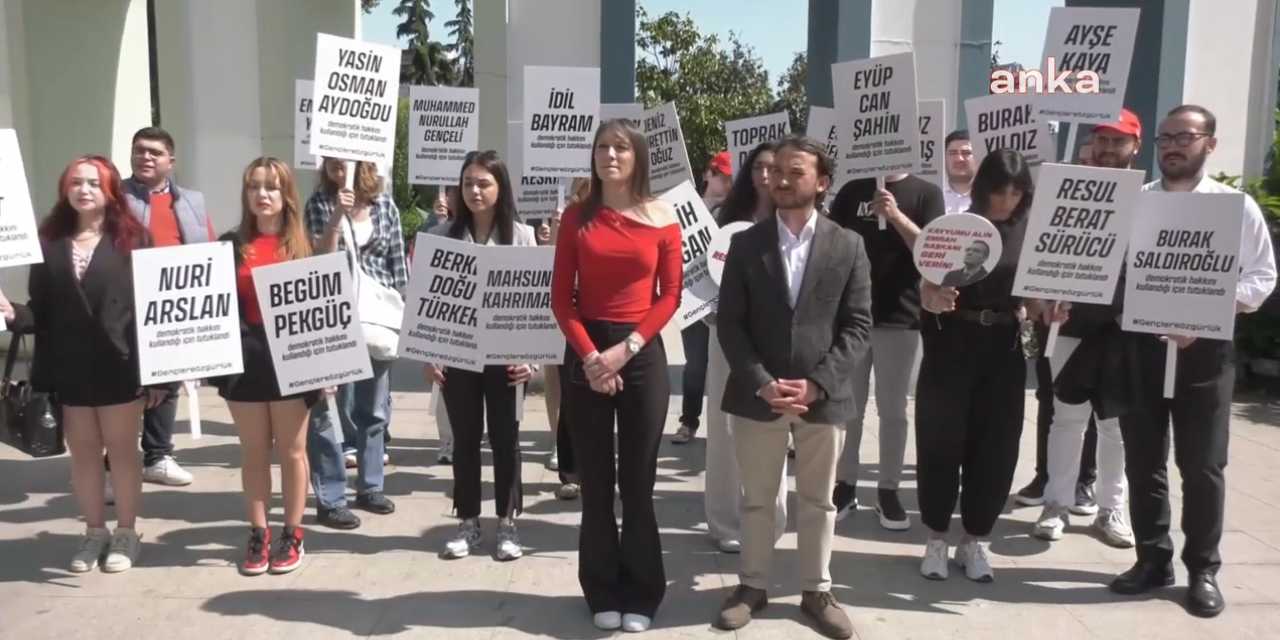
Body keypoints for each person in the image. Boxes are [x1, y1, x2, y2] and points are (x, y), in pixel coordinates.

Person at [1109, 105, 1276, 618]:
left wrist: (1204, 312)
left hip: (1204, 353)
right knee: (1143, 460)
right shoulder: (1134, 203)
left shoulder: (1234, 207)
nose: (1173, 146)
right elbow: (1107, 268)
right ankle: (1152, 558)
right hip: (1141, 347)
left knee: (1202, 465)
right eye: (1165, 138)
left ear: (1210, 143)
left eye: (1185, 136)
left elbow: (1261, 278)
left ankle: (1203, 569)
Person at [713, 135, 871, 639]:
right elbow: (731, 324)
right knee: (758, 500)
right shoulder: (745, 243)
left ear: (822, 183)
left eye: (794, 171)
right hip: (757, 399)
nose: (780, 178)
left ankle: (816, 592)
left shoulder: (848, 245)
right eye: (775, 170)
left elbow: (858, 326)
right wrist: (760, 383)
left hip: (823, 401)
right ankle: (752, 586)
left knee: (818, 502)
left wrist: (819, 384)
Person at [550, 118, 681, 633]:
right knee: (597, 482)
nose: (609, 155)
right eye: (602, 146)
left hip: (641, 352)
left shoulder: (662, 215)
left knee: (638, 483)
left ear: (637, 157)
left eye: (620, 148)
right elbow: (563, 299)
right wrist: (591, 358)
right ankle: (601, 588)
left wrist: (624, 351)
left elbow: (669, 294)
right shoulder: (576, 218)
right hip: (586, 352)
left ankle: (644, 593)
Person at [6, 155, 159, 573]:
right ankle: (94, 532)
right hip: (70, 370)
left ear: (110, 191)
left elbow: (152, 311)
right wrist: (11, 312)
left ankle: (126, 533)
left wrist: (159, 375)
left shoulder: (134, 240)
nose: (84, 189)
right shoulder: (48, 243)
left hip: (120, 367)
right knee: (85, 456)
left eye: (93, 182)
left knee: (124, 453)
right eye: (76, 182)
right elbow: (41, 311)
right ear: (65, 189)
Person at [916, 149, 1062, 583]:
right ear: (983, 187)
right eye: (1000, 188)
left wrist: (1045, 308)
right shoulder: (955, 226)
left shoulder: (1031, 234)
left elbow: (1034, 297)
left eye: (1017, 190)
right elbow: (926, 281)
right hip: (951, 343)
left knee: (997, 446)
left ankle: (976, 538)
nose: (1007, 199)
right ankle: (937, 538)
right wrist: (931, 296)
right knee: (941, 442)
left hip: (1004, 347)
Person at [1032, 110, 1143, 548]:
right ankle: (1056, 503)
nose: (1109, 149)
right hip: (1071, 323)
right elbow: (1044, 249)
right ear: (1091, 145)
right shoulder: (1066, 190)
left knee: (1115, 425)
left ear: (1135, 146)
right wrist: (1043, 299)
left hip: (1124, 327)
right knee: (1066, 419)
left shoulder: (1150, 197)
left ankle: (1110, 509)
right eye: (1103, 140)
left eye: (1119, 141)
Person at [426, 150, 536, 561]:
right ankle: (468, 521)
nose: (474, 191)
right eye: (468, 183)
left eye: (483, 183)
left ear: (500, 188)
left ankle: (508, 524)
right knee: (465, 440)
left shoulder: (522, 238)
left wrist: (533, 360)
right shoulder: (440, 237)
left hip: (507, 358)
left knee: (507, 440)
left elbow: (536, 305)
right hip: (458, 355)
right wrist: (430, 354)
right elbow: (429, 303)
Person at [210, 157, 318, 576]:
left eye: (271, 187)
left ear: (286, 194)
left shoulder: (305, 246)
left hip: (293, 359)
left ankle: (293, 533)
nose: (262, 194)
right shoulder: (230, 245)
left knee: (292, 451)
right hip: (246, 358)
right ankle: (259, 533)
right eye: (255, 186)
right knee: (254, 451)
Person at [827, 169, 944, 531]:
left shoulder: (926, 193)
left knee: (894, 410)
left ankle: (888, 490)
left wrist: (894, 216)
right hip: (852, 317)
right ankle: (845, 483)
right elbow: (830, 245)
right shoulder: (851, 189)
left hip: (902, 316)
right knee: (849, 408)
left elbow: (935, 252)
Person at [304, 158, 407, 530]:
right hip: (332, 314)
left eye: (343, 156)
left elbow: (398, 266)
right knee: (327, 412)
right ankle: (331, 498)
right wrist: (336, 216)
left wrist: (409, 318)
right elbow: (317, 258)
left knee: (373, 409)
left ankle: (370, 486)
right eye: (329, 157)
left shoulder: (385, 207)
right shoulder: (318, 203)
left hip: (378, 320)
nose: (335, 163)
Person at [702, 141, 787, 554]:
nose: (766, 177)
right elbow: (700, 283)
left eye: (774, 169)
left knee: (773, 428)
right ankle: (722, 522)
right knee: (722, 429)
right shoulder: (723, 219)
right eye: (758, 168)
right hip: (727, 336)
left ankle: (771, 520)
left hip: (777, 342)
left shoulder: (796, 220)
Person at [120, 126, 215, 487]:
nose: (145, 157)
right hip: (126, 303)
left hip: (173, 305)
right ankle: (116, 464)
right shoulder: (116, 197)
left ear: (170, 162)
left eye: (154, 152)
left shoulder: (191, 200)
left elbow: (206, 244)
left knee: (167, 382)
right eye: (139, 150)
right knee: (126, 388)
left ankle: (158, 456)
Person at [673, 151, 733, 445]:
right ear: (708, 174)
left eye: (732, 177)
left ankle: (726, 426)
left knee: (727, 366)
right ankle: (689, 421)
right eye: (722, 175)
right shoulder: (683, 206)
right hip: (693, 298)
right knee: (695, 364)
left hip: (724, 300)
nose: (728, 182)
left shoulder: (734, 212)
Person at [539, 177, 590, 500]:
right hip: (565, 316)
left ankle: (593, 467)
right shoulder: (567, 221)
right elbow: (550, 264)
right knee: (565, 389)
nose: (583, 198)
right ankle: (568, 463)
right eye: (579, 193)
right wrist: (554, 235)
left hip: (598, 318)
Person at [943, 130, 976, 214]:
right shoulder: (933, 196)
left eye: (966, 153)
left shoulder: (990, 197)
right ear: (944, 158)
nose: (959, 159)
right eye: (953, 153)